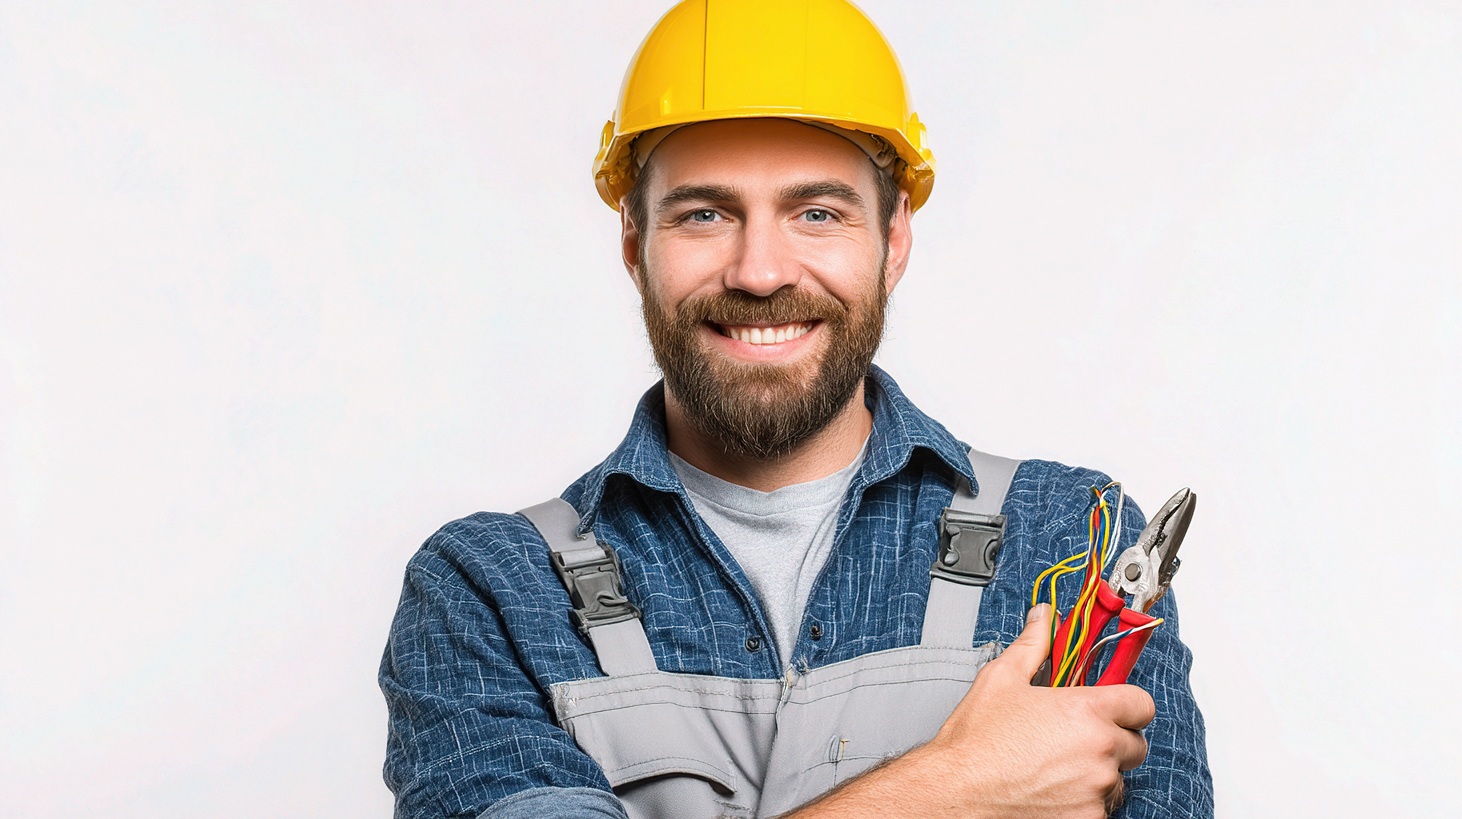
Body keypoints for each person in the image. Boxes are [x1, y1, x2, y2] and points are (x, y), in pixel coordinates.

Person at [379, 1, 1213, 817]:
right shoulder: (488, 592)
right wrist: (951, 790)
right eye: (705, 214)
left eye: (816, 212)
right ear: (635, 246)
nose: (761, 271)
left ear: (893, 243)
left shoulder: (1073, 539)